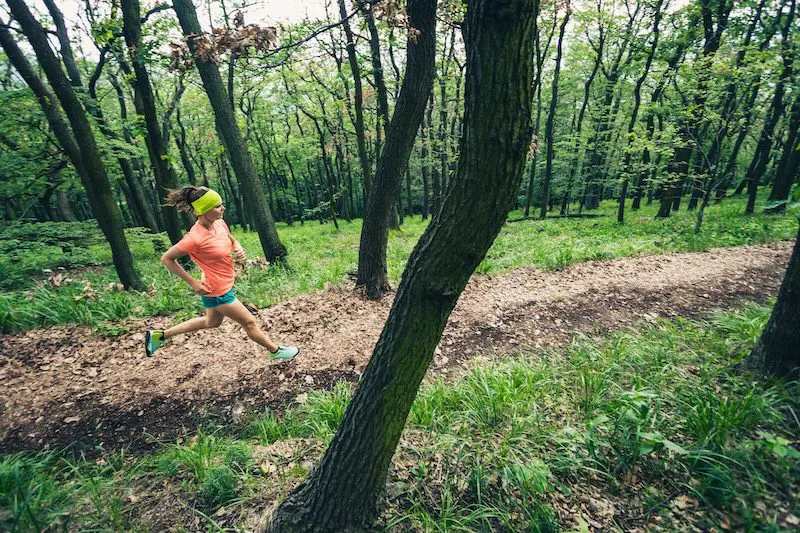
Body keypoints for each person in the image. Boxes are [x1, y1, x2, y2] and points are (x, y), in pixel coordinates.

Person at [144, 186, 299, 361]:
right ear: (203, 210)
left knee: (212, 322)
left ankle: (159, 336)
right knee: (249, 322)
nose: (222, 208)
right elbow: (167, 259)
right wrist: (192, 282)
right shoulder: (194, 238)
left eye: (221, 204)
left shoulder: (219, 223)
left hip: (218, 285)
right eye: (217, 206)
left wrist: (237, 247)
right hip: (217, 291)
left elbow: (230, 239)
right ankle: (276, 352)